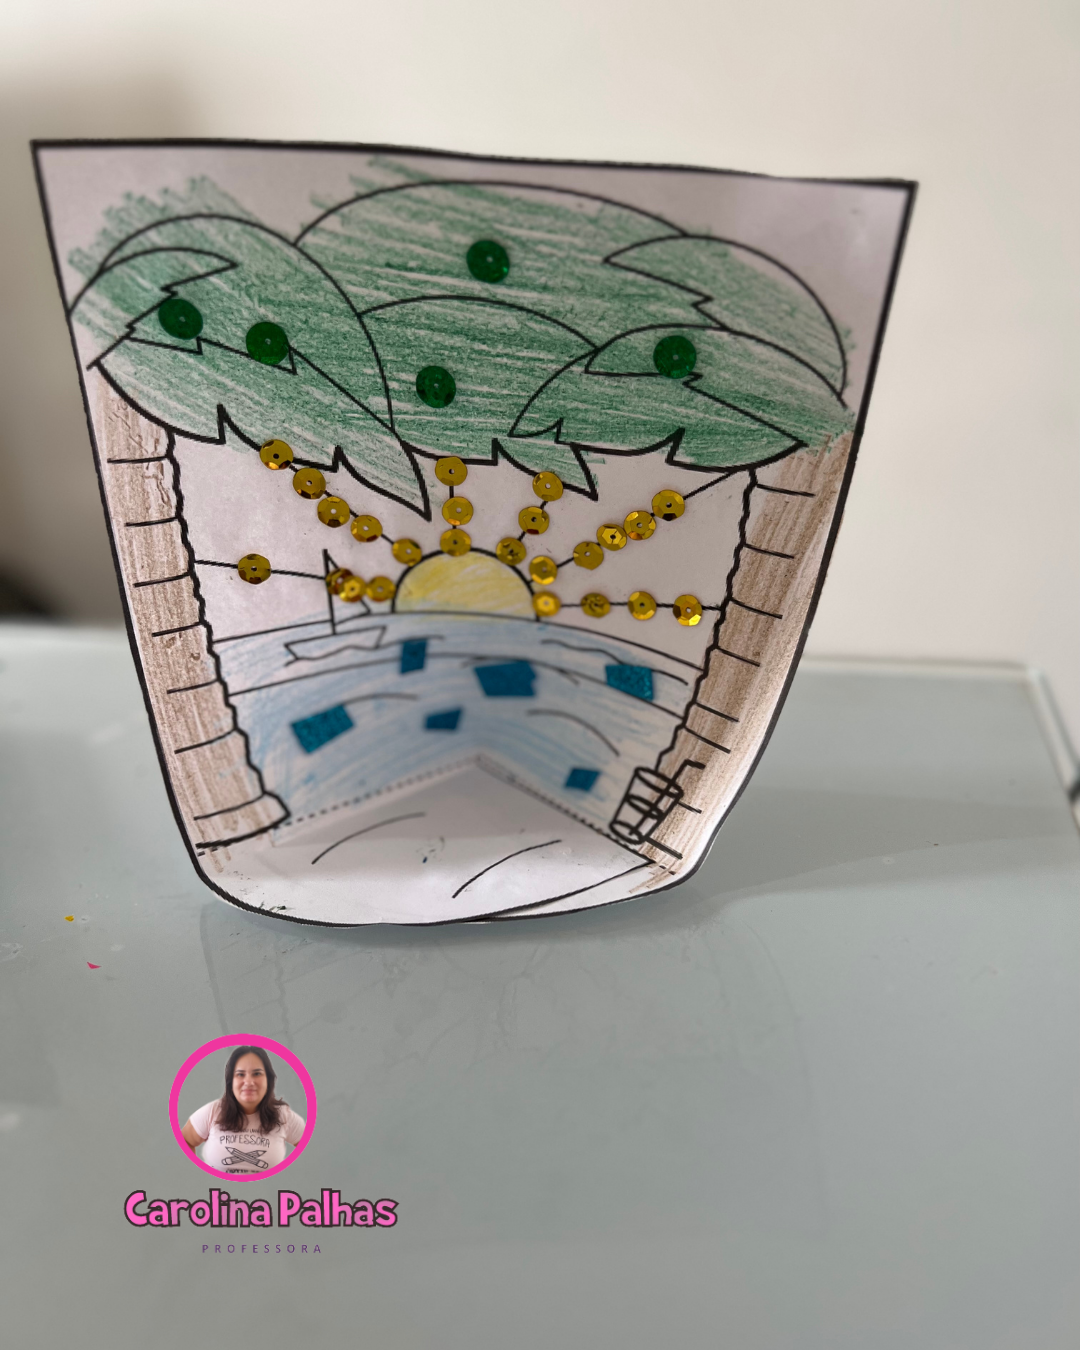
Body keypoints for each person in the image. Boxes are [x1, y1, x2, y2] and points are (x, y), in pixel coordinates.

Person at [181, 1046, 305, 1174]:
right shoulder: (212, 1111)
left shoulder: (284, 1116)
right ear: (231, 1081)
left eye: (257, 1073)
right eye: (240, 1074)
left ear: (268, 1080)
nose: (249, 1082)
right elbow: (184, 1141)